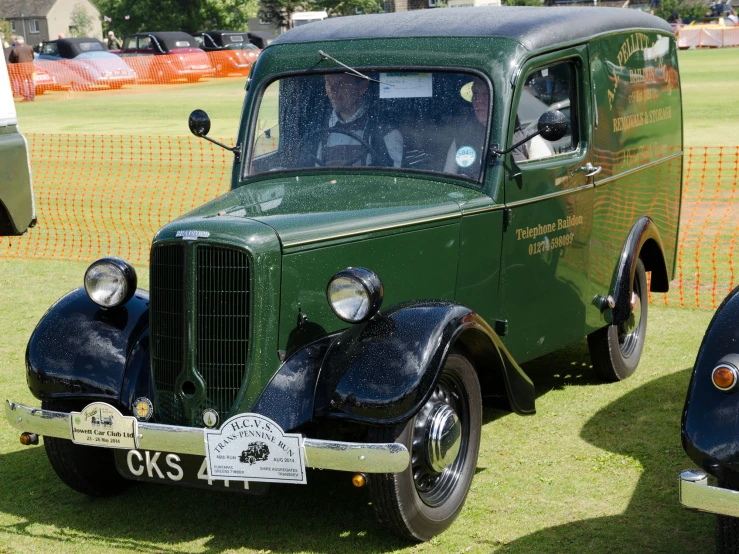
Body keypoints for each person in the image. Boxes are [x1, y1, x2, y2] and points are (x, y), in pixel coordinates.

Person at [313, 73, 403, 168]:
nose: (332, 89)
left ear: (362, 87)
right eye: (328, 83)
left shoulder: (384, 130)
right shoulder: (318, 129)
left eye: (341, 83)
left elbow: (395, 176)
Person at [8, 37, 34, 102]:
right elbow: (33, 56)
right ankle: (32, 96)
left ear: (17, 42)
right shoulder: (30, 47)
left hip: (21, 67)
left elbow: (11, 59)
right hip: (30, 67)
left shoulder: (15, 49)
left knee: (23, 82)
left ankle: (27, 97)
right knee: (31, 81)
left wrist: (16, 62)